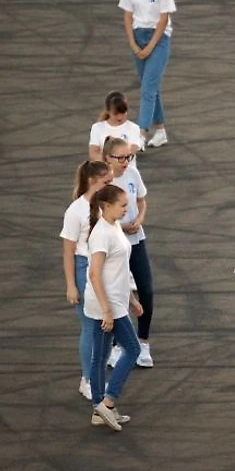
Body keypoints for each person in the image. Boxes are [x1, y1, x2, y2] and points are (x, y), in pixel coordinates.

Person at [84, 184, 143, 431]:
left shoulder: (114, 226)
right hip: (105, 305)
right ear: (106, 206)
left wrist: (132, 299)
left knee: (100, 356)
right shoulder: (101, 234)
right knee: (133, 349)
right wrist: (107, 310)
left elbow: (120, 269)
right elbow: (95, 274)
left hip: (116, 300)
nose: (126, 209)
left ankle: (99, 409)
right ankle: (107, 402)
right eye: (122, 205)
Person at [60, 161, 113, 401]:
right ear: (92, 181)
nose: (110, 185)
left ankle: (97, 375)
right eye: (106, 182)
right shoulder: (76, 211)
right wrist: (71, 284)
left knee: (104, 325)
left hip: (105, 268)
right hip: (84, 268)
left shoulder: (105, 206)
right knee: (91, 327)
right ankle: (88, 379)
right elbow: (68, 251)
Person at [102, 137, 155, 368]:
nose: (125, 162)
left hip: (135, 239)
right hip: (114, 244)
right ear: (107, 158)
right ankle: (115, 345)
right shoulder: (104, 184)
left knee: (146, 290)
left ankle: (143, 342)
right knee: (117, 292)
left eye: (128, 157)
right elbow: (99, 217)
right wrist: (121, 226)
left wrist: (139, 219)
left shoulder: (133, 174)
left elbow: (142, 201)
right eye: (120, 157)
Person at [118, 0, 176, 147]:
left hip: (158, 38)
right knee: (151, 86)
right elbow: (128, 15)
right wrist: (133, 44)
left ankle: (141, 133)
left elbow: (164, 18)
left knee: (147, 89)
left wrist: (150, 47)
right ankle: (160, 130)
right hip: (138, 37)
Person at [89, 91, 144, 164]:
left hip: (127, 171)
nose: (120, 117)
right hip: (105, 173)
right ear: (108, 111)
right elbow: (93, 153)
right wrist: (109, 164)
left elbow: (131, 151)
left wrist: (113, 160)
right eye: (116, 114)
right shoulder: (97, 128)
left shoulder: (134, 128)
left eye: (123, 112)